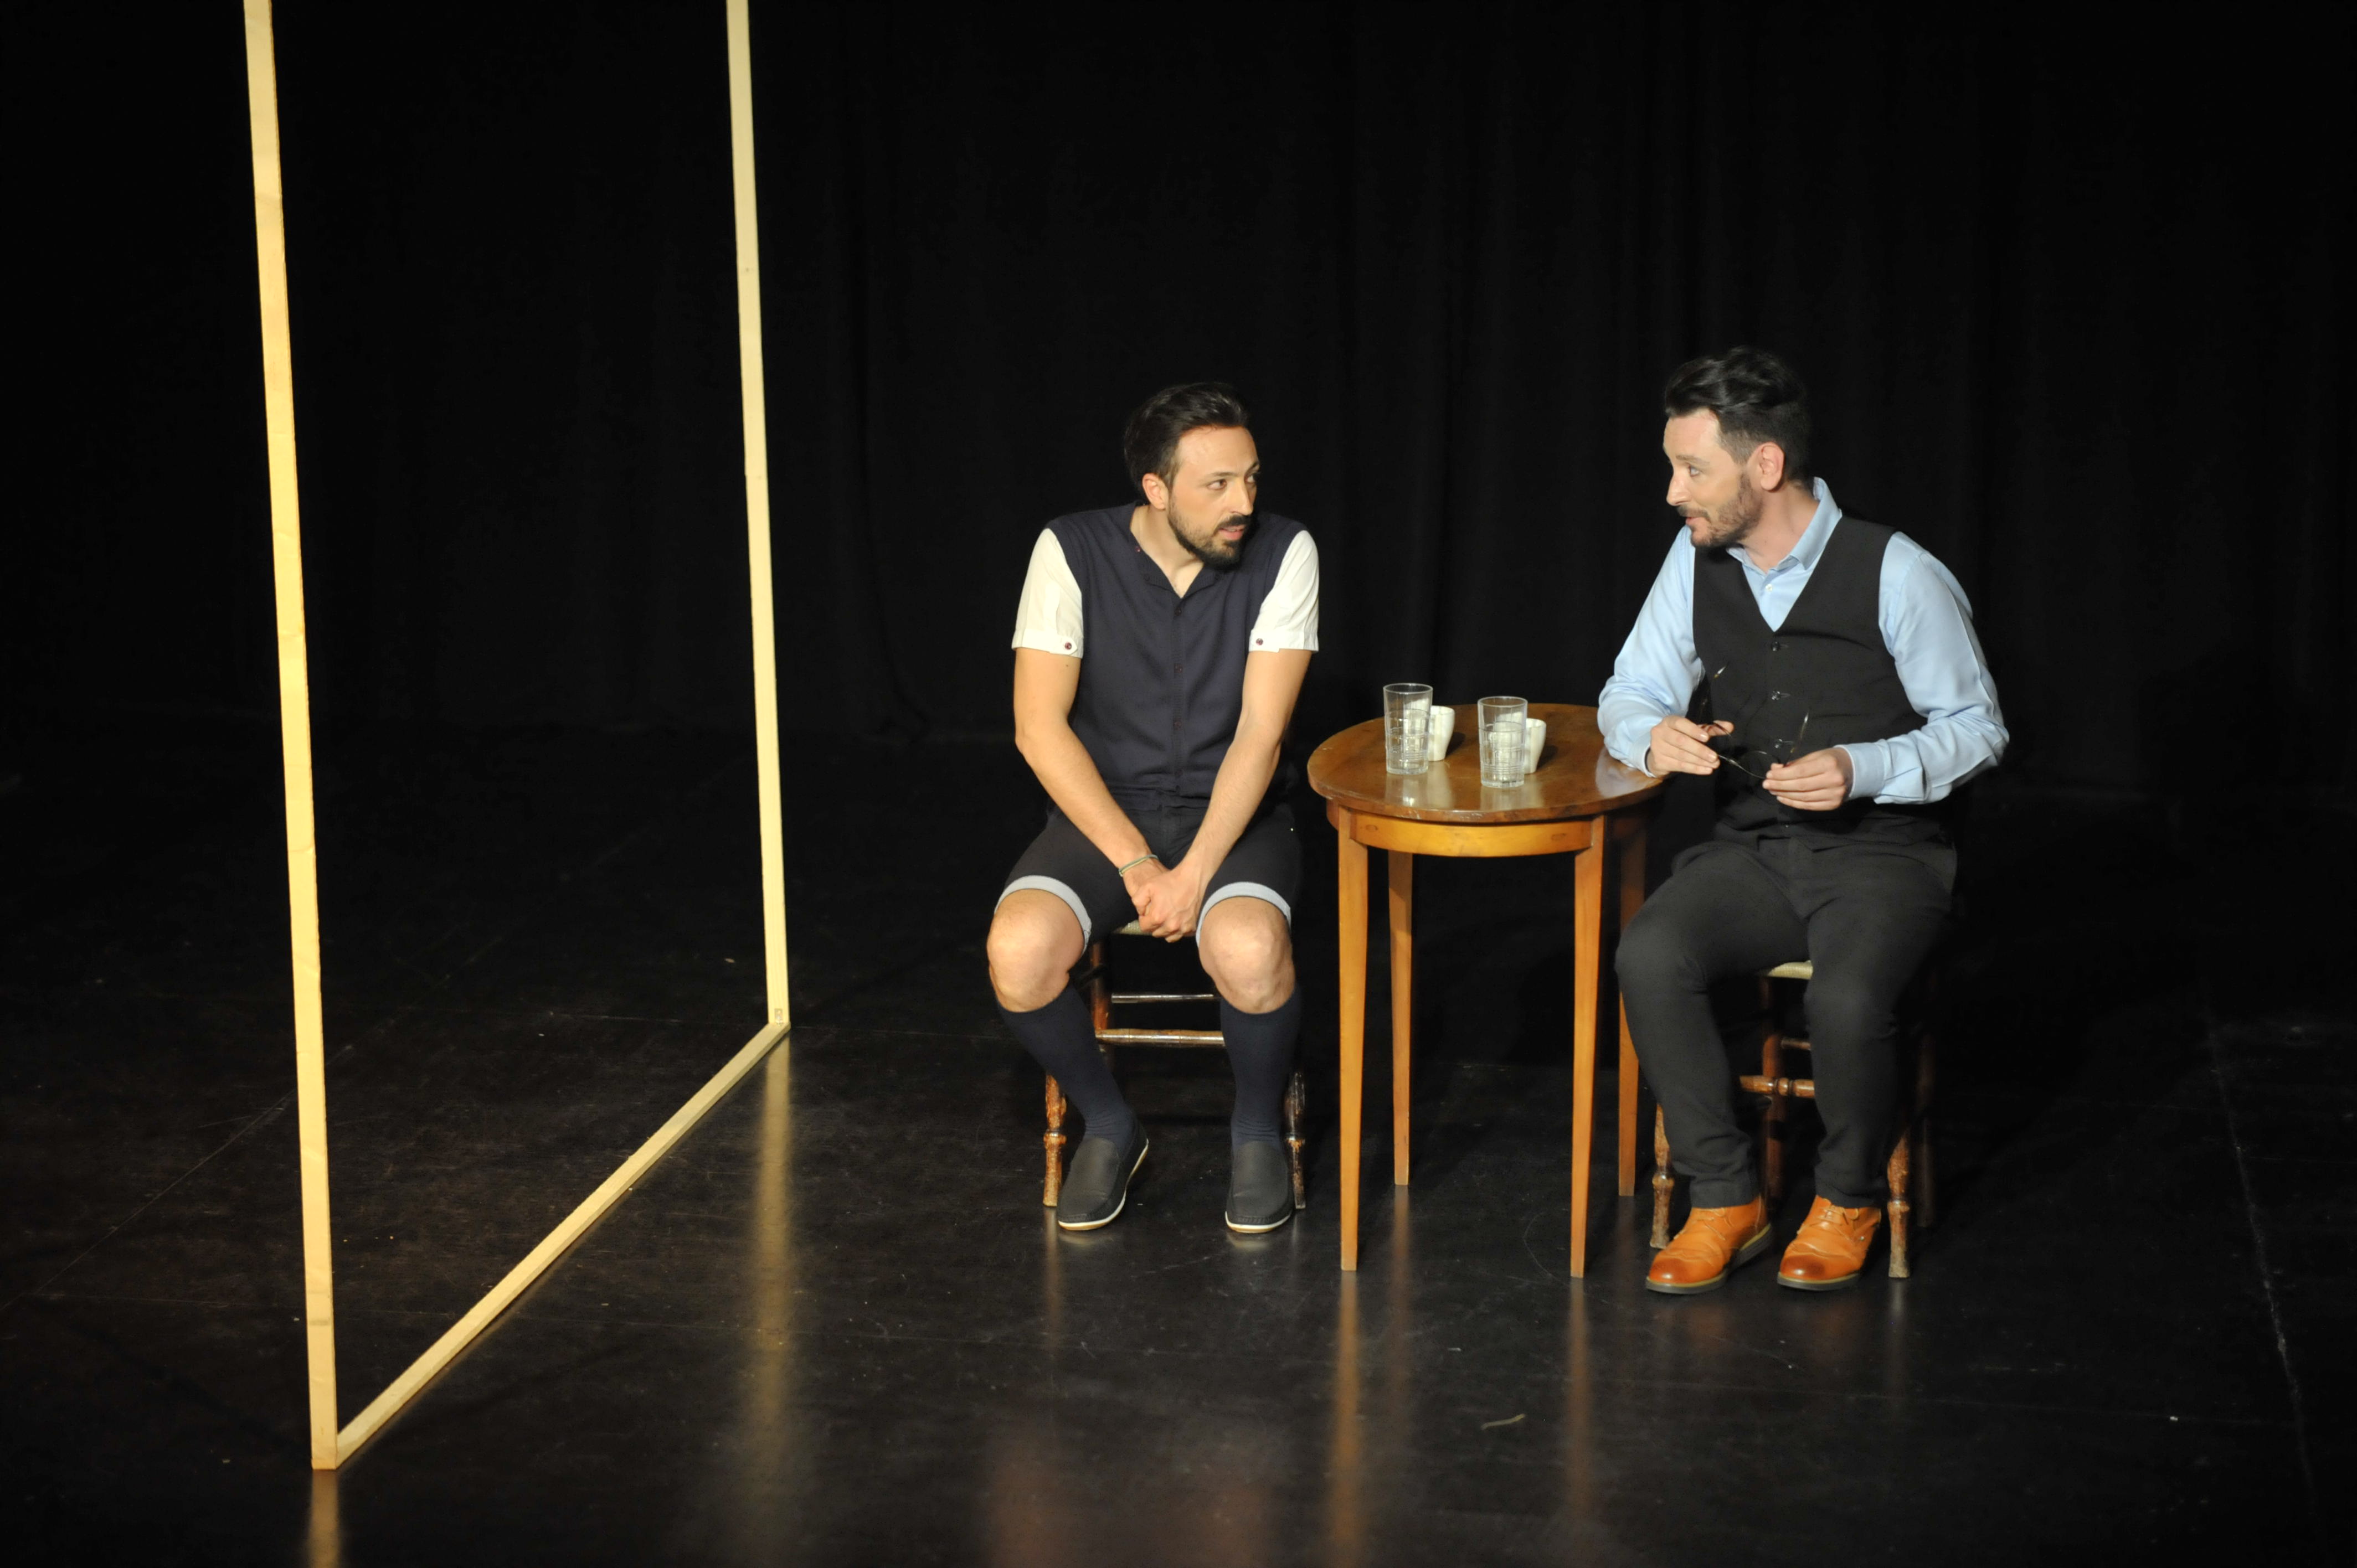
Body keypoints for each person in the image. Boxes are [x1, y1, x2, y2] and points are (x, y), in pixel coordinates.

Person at [1601, 346, 2006, 1293]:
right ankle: (1724, 1195)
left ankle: (1848, 1196)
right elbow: (1629, 690)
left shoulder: (1897, 571)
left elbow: (1979, 728)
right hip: (1758, 850)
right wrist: (1651, 733)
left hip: (1885, 855)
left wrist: (1866, 767)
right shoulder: (1695, 559)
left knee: (1850, 1001)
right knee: (1651, 955)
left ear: (1766, 465)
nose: (1673, 493)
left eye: (1692, 470)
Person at [986, 383, 1318, 1234]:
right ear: (1156, 488)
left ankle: (1256, 1130)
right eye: (1218, 485)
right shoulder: (1071, 549)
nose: (1244, 503)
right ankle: (1110, 1122)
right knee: (1018, 953)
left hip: (1235, 816)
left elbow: (1261, 736)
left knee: (1248, 950)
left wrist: (1194, 872)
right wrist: (1137, 862)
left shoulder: (1287, 551)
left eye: (1251, 478)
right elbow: (1037, 727)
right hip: (1107, 815)